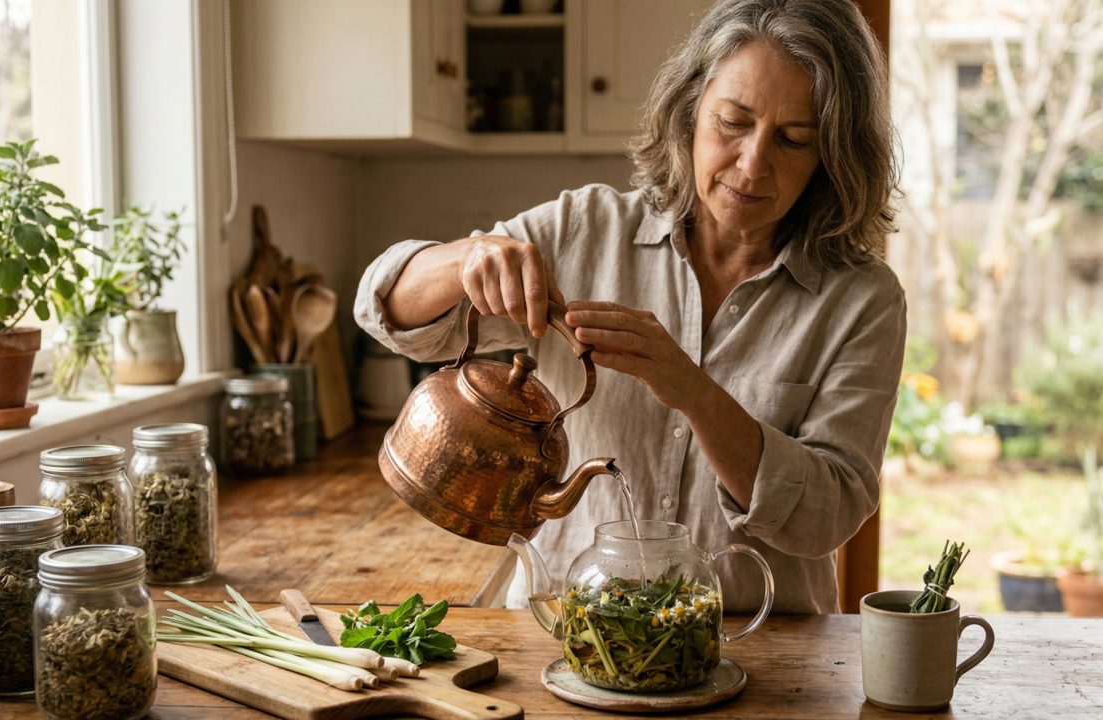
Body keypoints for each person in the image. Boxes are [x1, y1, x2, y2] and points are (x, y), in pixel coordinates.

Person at [355, 0, 904, 613]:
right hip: (563, 636)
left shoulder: (862, 299)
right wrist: (465, 259)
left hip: (761, 653)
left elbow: (829, 514)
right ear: (690, 109)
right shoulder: (582, 229)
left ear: (832, 155)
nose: (752, 164)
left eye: (793, 139)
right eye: (732, 122)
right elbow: (389, 313)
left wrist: (693, 391)